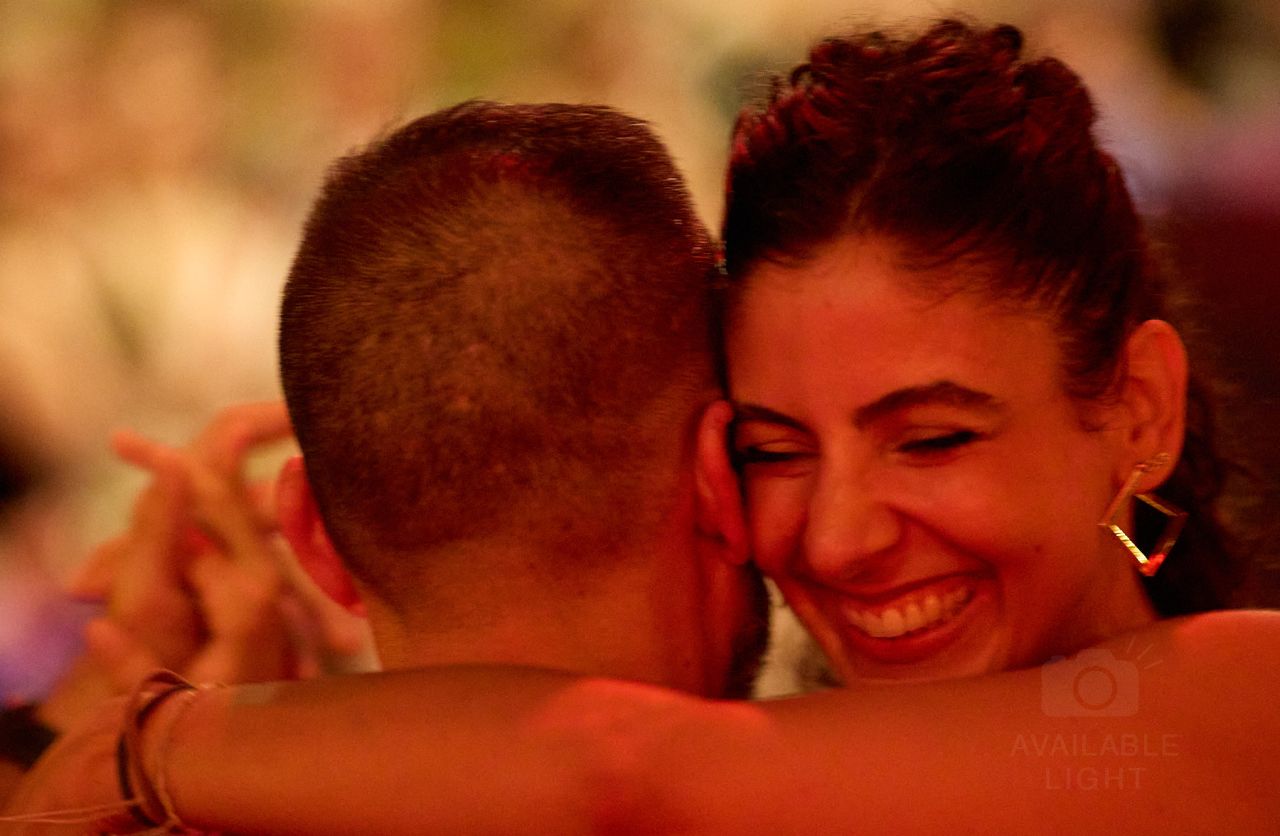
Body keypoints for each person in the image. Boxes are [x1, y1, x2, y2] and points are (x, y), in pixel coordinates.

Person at [6, 19, 1279, 834]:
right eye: (774, 449)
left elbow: (622, 765)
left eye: (932, 438)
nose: (835, 536)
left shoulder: (1247, 698)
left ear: (1137, 410)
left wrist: (142, 742)